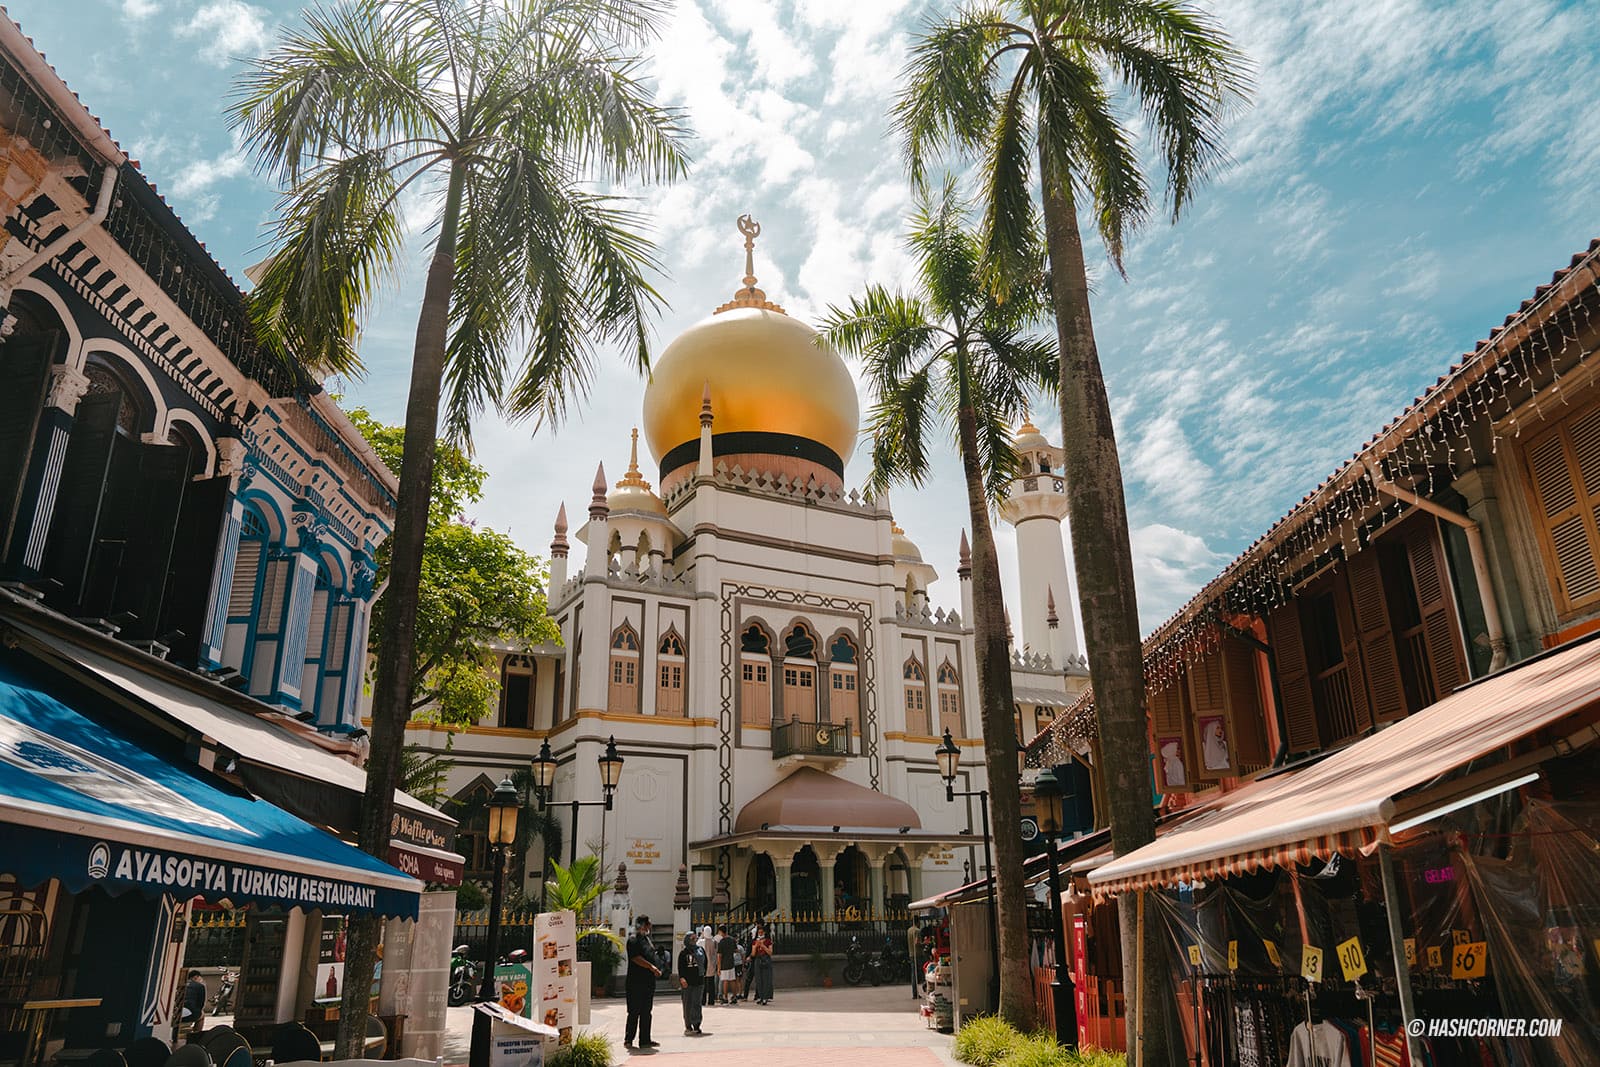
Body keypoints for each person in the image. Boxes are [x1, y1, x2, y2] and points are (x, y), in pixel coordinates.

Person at [624, 915, 664, 1050]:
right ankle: (629, 1039)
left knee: (647, 1011)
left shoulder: (647, 939)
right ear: (643, 925)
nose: (650, 927)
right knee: (634, 1011)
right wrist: (651, 967)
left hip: (648, 982)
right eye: (648, 924)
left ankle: (645, 1039)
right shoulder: (633, 940)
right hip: (635, 982)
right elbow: (636, 958)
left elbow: (651, 955)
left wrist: (658, 966)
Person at [677, 930, 704, 1036]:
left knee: (697, 1004)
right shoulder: (683, 953)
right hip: (687, 983)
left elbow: (704, 963)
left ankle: (697, 1024)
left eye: (695, 938)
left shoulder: (700, 951)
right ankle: (688, 1025)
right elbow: (680, 968)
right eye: (692, 938)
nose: (694, 940)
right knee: (687, 1004)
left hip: (698, 981)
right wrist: (682, 978)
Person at [749, 925, 774, 1005]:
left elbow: (770, 952)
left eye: (761, 932)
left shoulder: (768, 941)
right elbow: (753, 954)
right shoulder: (755, 941)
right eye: (759, 932)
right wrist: (756, 946)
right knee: (759, 979)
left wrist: (763, 946)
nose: (760, 934)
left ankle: (766, 997)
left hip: (766, 960)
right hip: (758, 960)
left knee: (766, 979)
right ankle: (761, 996)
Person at [180, 969, 206, 1037]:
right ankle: (196, 1035)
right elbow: (201, 1004)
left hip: (175, 1014)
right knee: (202, 1014)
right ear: (196, 977)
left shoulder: (180, 984)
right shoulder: (200, 986)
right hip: (190, 1014)